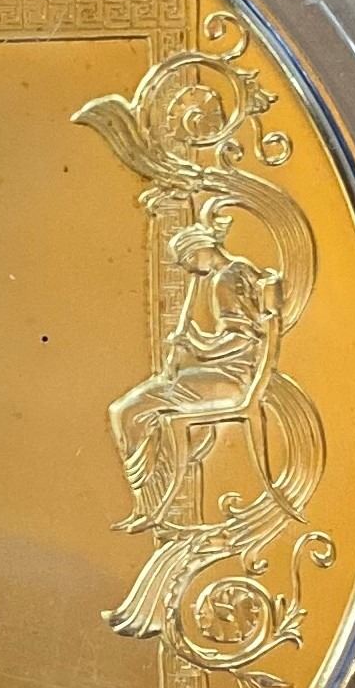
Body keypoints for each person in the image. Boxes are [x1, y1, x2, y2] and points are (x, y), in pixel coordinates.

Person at [108, 218, 281, 533]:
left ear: (201, 249)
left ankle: (147, 501)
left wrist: (197, 346)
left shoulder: (226, 279)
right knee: (141, 409)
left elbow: (243, 338)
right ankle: (151, 499)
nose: (187, 268)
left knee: (127, 411)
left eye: (186, 260)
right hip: (221, 374)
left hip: (230, 379)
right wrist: (196, 345)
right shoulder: (234, 272)